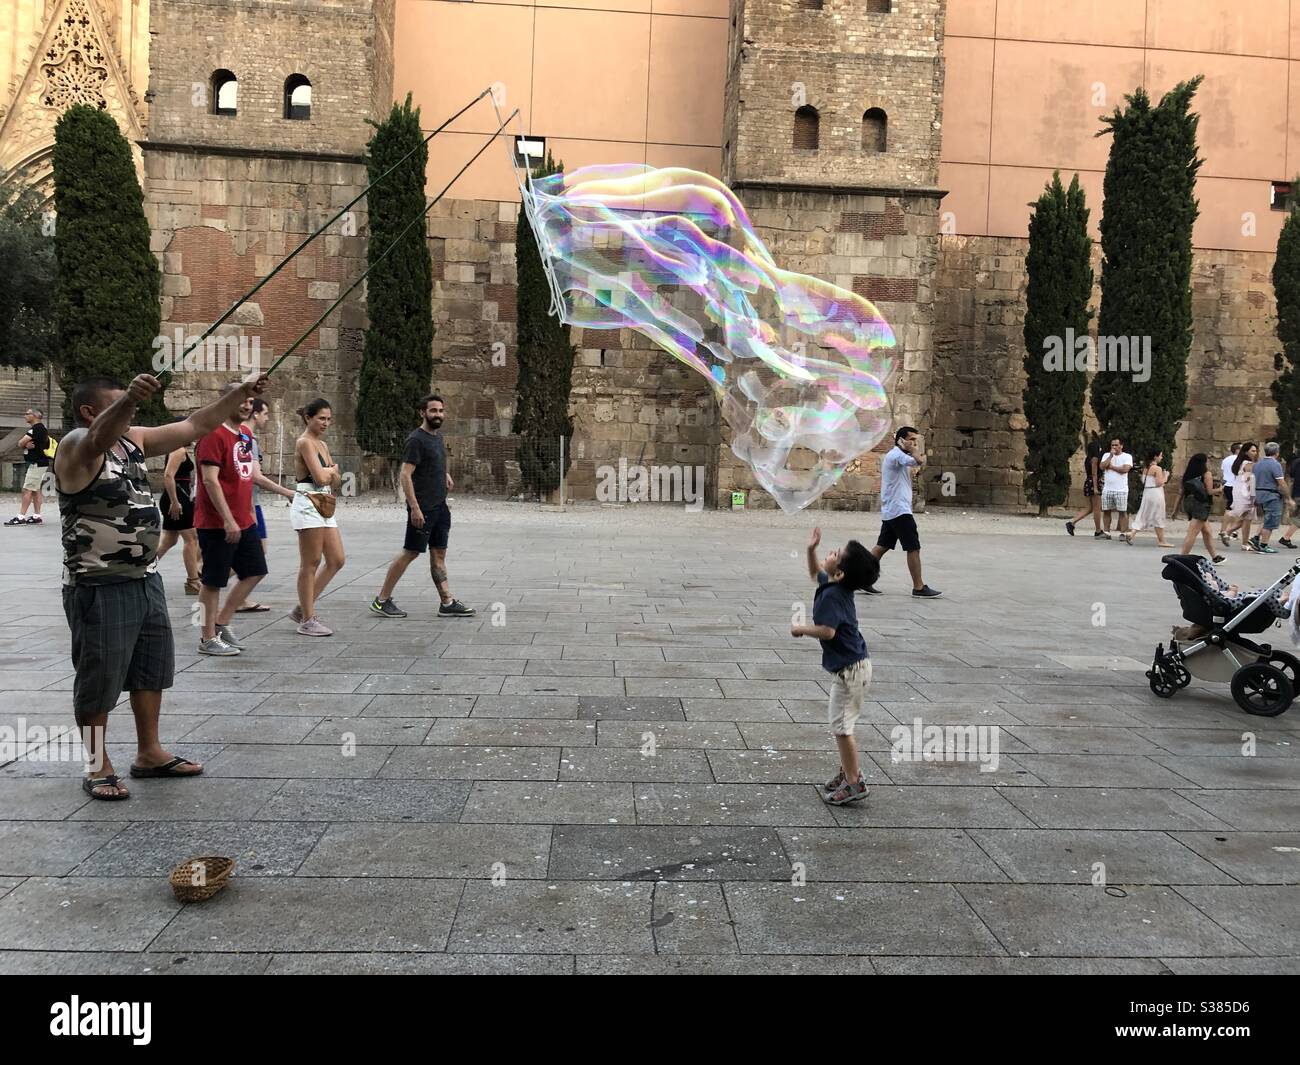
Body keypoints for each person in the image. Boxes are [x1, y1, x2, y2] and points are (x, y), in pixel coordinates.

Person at [54, 371, 268, 800]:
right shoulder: (77, 446)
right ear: (90, 411)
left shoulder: (133, 439)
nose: (132, 413)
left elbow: (195, 426)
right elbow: (97, 438)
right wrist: (128, 400)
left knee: (150, 671)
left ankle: (148, 753)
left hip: (144, 579)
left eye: (132, 405)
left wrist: (235, 396)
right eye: (122, 405)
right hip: (100, 584)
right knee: (99, 678)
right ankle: (97, 764)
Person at [791, 526, 879, 807]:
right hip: (854, 667)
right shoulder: (835, 586)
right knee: (841, 724)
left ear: (839, 573)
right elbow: (814, 572)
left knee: (842, 727)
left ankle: (854, 782)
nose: (831, 552)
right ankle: (848, 771)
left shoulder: (832, 595)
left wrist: (802, 629)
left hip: (850, 671)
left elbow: (827, 632)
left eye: (835, 553)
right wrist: (811, 549)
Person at [370, 394, 474, 618]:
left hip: (440, 507)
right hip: (423, 508)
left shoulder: (436, 437)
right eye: (433, 411)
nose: (438, 415)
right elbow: (405, 476)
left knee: (438, 554)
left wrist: (444, 474)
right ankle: (382, 600)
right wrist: (415, 508)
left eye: (441, 411)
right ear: (422, 413)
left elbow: (430, 463)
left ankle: (446, 602)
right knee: (410, 552)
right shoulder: (416, 440)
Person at [193, 385, 271, 655]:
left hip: (243, 519)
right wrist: (227, 519)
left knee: (255, 570)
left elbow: (249, 476)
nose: (247, 405)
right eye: (241, 400)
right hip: (216, 522)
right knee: (212, 582)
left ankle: (221, 622)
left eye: (250, 401)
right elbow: (209, 480)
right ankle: (207, 638)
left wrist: (250, 510)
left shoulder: (245, 435)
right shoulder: (212, 434)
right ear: (225, 402)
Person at [289, 399, 346, 637]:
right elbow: (323, 478)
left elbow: (336, 479)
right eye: (321, 418)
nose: (326, 423)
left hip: (324, 503)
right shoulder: (305, 442)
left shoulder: (321, 444)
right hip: (308, 503)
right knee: (310, 562)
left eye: (328, 418)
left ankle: (303, 607)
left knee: (336, 559)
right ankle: (307, 619)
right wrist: (331, 471)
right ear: (308, 418)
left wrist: (330, 473)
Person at [867, 425, 941, 598]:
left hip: (892, 509)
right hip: (900, 511)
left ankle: (858, 579)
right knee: (913, 547)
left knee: (881, 547)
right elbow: (920, 461)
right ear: (901, 440)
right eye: (911, 440)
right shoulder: (896, 455)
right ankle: (919, 587)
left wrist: (912, 449)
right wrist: (914, 450)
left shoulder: (898, 455)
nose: (915, 443)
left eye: (916, 440)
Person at [236, 397, 291, 614]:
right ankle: (211, 576)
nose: (267, 418)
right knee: (257, 553)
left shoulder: (241, 435)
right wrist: (287, 492)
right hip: (249, 503)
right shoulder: (247, 437)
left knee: (253, 553)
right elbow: (254, 477)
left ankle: (239, 596)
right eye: (265, 414)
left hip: (248, 501)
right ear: (255, 414)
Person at [155, 430, 200, 595]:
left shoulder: (178, 449)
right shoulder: (178, 450)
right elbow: (168, 475)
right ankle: (193, 581)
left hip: (179, 497)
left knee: (169, 540)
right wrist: (175, 501)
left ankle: (144, 567)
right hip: (177, 498)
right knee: (191, 538)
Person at [1176, 453, 1226, 562]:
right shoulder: (1206, 474)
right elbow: (1209, 491)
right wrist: (1220, 489)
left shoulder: (1188, 475)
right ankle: (1182, 558)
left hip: (1189, 504)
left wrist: (1175, 510)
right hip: (1201, 505)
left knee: (1207, 531)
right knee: (1192, 533)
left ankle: (1215, 556)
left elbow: (1181, 492)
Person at [6, 407, 51, 526]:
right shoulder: (41, 429)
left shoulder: (36, 429)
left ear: (35, 416)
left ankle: (21, 517)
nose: (25, 415)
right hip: (39, 463)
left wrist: (24, 444)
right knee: (36, 490)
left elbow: (20, 443)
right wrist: (26, 444)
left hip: (36, 463)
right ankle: (37, 516)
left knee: (27, 489)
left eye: (27, 413)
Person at [1250, 441, 1290, 554]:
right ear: (1276, 453)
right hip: (1271, 494)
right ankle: (1264, 544)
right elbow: (1281, 483)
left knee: (1266, 517)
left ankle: (1256, 538)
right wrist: (1288, 497)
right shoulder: (1275, 464)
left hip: (1258, 493)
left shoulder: (1257, 464)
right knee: (1271, 520)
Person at [1125, 449, 1172, 547]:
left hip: (1147, 493)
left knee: (1143, 513)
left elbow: (1144, 481)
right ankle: (1162, 541)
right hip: (1156, 493)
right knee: (1158, 515)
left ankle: (1132, 533)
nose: (1161, 457)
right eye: (1160, 455)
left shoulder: (1146, 468)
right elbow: (1159, 483)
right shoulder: (1157, 468)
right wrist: (1166, 476)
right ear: (1155, 456)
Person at [1220, 442, 1258, 551]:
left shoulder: (1239, 463)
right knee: (1246, 518)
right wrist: (1253, 495)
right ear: (1246, 452)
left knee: (1245, 517)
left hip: (1237, 489)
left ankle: (1228, 533)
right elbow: (1250, 480)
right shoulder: (1248, 464)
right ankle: (1240, 540)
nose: (1255, 453)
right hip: (1245, 492)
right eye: (1253, 451)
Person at [1065, 436, 1104, 539]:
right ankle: (1098, 530)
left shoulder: (1088, 459)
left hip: (1088, 482)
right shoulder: (1095, 459)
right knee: (1097, 508)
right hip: (1094, 483)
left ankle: (1072, 522)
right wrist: (1096, 488)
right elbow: (1095, 474)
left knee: (1089, 507)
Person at [1098, 437, 1133, 539]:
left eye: (1116, 445)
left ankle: (1122, 533)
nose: (1114, 447)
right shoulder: (1106, 455)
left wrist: (1112, 467)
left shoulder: (1127, 456)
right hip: (1108, 488)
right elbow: (1102, 466)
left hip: (1121, 489)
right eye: (1112, 445)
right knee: (1106, 510)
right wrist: (1110, 456)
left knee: (1122, 511)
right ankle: (1107, 532)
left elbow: (1125, 469)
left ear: (1121, 446)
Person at [1277, 449, 1300, 549]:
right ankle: (1286, 537)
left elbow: (1291, 475)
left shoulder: (1296, 462)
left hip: (1296, 491)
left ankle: (1286, 538)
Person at [1221, 443, 1240, 516]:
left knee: (1229, 505)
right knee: (1236, 507)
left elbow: (1223, 472)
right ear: (1237, 450)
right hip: (1236, 485)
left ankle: (1225, 526)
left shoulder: (1225, 460)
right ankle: (1231, 526)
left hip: (1227, 485)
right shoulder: (1240, 460)